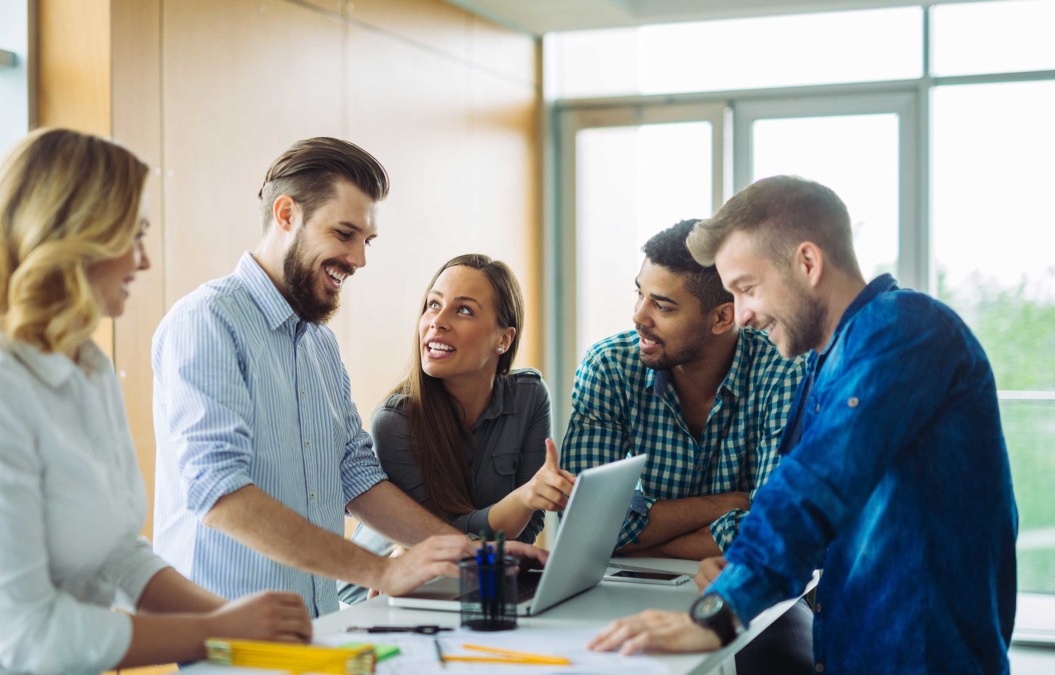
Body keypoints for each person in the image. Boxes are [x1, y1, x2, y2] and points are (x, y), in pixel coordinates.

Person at [0, 129, 312, 675]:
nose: (144, 260)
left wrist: (241, 622)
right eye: (132, 236)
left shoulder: (88, 367)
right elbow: (33, 637)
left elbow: (117, 554)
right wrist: (216, 631)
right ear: (74, 239)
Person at [589, 176, 1018, 673]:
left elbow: (812, 487)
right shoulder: (825, 362)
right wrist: (743, 568)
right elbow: (804, 517)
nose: (744, 315)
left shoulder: (904, 329)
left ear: (808, 263)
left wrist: (722, 610)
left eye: (748, 289)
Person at [152, 138, 546, 617]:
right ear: (286, 215)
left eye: (367, 241)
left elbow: (357, 477)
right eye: (344, 234)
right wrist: (380, 572)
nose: (359, 259)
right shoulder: (208, 321)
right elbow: (219, 494)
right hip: (226, 635)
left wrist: (473, 553)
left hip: (317, 622)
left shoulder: (319, 344)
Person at [563, 219, 812, 673]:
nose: (639, 315)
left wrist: (641, 537)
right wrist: (733, 504)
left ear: (722, 317)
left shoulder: (784, 371)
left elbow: (774, 532)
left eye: (662, 305)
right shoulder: (609, 367)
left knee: (788, 661)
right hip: (622, 589)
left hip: (748, 588)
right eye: (639, 293)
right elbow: (586, 533)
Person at [338, 254, 571, 604]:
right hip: (381, 593)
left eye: (463, 310)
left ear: (503, 340)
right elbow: (433, 541)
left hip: (478, 579)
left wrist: (527, 506)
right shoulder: (395, 422)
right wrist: (522, 498)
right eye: (433, 305)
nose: (437, 322)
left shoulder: (530, 396)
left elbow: (530, 525)